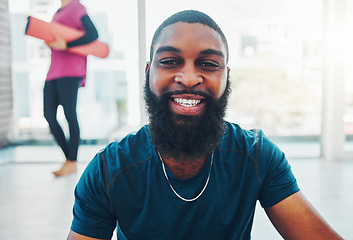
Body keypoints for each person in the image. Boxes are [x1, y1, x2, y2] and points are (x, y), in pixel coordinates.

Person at [67, 10, 343, 240]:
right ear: (148, 74)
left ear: (226, 77)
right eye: (170, 61)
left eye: (209, 64)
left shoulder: (257, 156)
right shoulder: (108, 170)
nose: (188, 78)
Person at [44, 0, 98, 176]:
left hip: (70, 70)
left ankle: (71, 161)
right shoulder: (57, 12)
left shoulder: (76, 7)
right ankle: (69, 159)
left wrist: (66, 46)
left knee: (69, 113)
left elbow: (93, 34)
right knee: (49, 115)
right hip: (53, 70)